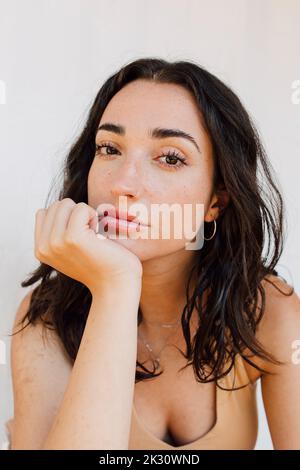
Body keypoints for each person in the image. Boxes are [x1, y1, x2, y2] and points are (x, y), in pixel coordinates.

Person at [7, 58, 300, 450]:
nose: (123, 184)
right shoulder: (47, 319)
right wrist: (115, 288)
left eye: (170, 157)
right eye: (109, 148)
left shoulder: (266, 313)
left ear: (217, 200)